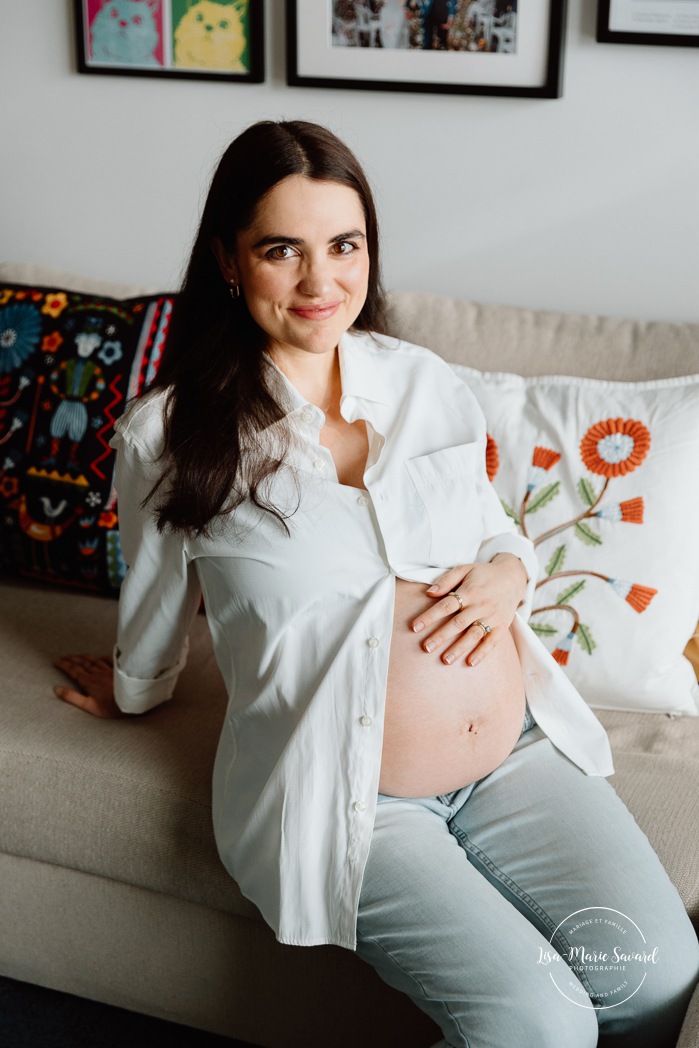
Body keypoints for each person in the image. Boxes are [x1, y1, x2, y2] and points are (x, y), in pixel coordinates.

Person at [54, 120, 698, 1048]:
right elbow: (153, 603)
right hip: (349, 798)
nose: (320, 281)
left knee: (655, 974)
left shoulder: (421, 380)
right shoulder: (169, 434)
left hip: (515, 756)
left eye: (344, 246)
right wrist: (131, 690)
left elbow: (492, 527)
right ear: (228, 260)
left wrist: (511, 571)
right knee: (539, 1023)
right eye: (282, 249)